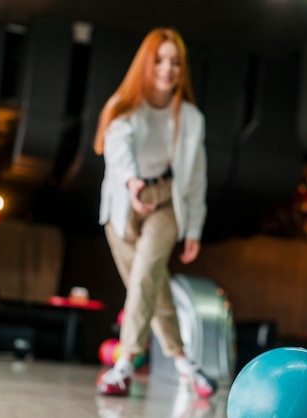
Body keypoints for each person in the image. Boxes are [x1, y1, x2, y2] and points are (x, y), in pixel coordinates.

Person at [93, 27, 216, 398]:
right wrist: (132, 182)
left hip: (165, 203)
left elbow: (195, 179)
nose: (168, 69)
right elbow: (117, 149)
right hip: (123, 204)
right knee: (149, 287)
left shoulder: (192, 118)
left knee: (146, 275)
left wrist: (193, 229)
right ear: (146, 65)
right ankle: (185, 362)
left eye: (176, 62)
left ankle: (124, 364)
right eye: (160, 60)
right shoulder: (124, 107)